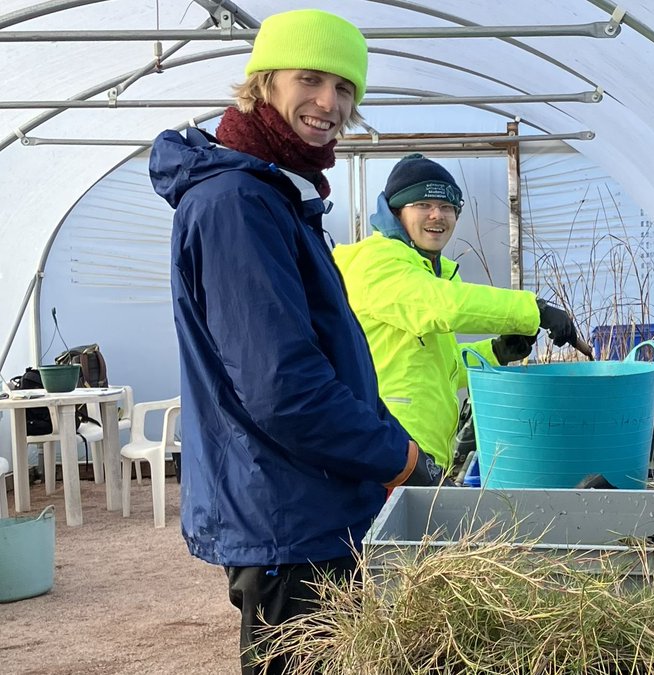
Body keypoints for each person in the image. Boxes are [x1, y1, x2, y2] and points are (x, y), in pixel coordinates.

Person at [148, 9, 444, 674]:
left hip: (312, 506)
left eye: (345, 89)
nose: (328, 103)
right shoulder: (237, 204)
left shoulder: (276, 196)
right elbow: (282, 385)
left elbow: (332, 363)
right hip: (289, 519)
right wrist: (395, 456)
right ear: (262, 83)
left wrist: (401, 446)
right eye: (310, 79)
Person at [332, 153, 586, 472]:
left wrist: (493, 353)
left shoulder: (426, 271)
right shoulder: (377, 262)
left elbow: (434, 368)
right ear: (396, 211)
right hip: (384, 449)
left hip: (415, 454)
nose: (437, 216)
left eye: (448, 207)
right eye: (423, 205)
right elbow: (446, 306)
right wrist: (534, 310)